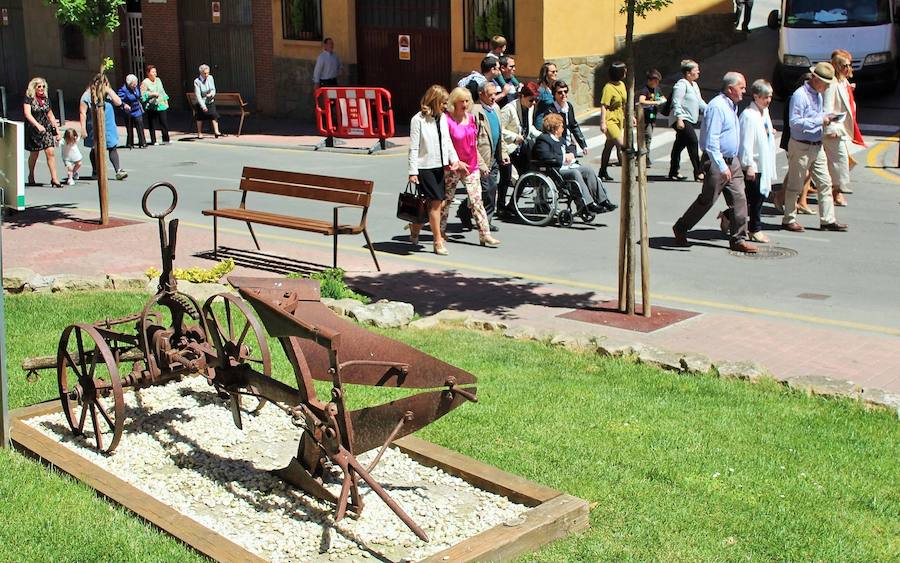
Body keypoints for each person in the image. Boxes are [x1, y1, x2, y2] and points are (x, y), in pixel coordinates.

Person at [672, 72, 758, 254]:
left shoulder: (732, 106)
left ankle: (738, 238)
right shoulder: (717, 107)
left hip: (731, 161)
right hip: (716, 161)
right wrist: (721, 165)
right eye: (741, 87)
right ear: (730, 89)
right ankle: (681, 226)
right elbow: (711, 141)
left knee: (740, 199)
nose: (744, 91)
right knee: (707, 200)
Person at [781, 63, 848, 233]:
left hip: (816, 145)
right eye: (825, 83)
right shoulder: (800, 96)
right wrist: (820, 120)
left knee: (825, 183)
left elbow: (814, 116)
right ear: (815, 79)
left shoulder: (817, 95)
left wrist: (827, 117)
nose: (826, 87)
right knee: (795, 185)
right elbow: (794, 122)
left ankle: (828, 220)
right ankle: (789, 219)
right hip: (801, 145)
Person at [407, 85, 465, 255]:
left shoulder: (442, 119)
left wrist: (455, 161)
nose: (445, 106)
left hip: (440, 166)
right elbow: (414, 148)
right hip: (424, 167)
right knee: (436, 203)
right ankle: (437, 240)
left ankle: (415, 227)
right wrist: (413, 172)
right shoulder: (418, 120)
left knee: (431, 205)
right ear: (435, 101)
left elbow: (447, 142)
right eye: (443, 102)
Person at [442, 87, 501, 248]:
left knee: (476, 201)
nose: (465, 104)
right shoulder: (446, 119)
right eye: (462, 101)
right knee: (446, 201)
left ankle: (485, 234)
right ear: (454, 102)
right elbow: (445, 144)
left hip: (471, 165)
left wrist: (481, 165)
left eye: (467, 101)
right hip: (452, 166)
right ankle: (440, 232)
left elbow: (473, 144)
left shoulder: (470, 118)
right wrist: (454, 162)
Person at [532, 113, 614, 215]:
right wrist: (563, 158)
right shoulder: (543, 140)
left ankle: (602, 200)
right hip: (554, 171)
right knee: (575, 173)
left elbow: (570, 146)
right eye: (561, 126)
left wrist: (570, 153)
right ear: (555, 128)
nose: (563, 128)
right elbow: (545, 157)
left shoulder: (559, 139)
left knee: (587, 169)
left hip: (566, 166)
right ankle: (588, 204)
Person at [462, 81, 509, 230]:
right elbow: (472, 142)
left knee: (491, 188)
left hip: (494, 156)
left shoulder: (495, 108)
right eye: (490, 95)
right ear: (481, 94)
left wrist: (504, 153)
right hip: (481, 159)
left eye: (495, 94)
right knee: (486, 189)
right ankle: (470, 213)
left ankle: (484, 220)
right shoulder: (474, 111)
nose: (494, 97)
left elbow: (500, 133)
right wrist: (481, 164)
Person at [737, 79, 777, 243]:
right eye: (764, 97)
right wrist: (749, 166)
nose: (768, 100)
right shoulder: (748, 115)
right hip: (754, 163)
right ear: (755, 96)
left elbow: (764, 131)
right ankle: (754, 229)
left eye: (769, 97)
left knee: (754, 197)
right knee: (756, 198)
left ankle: (726, 216)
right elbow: (746, 143)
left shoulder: (763, 112)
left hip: (764, 161)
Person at [823, 49, 864, 207]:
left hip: (844, 129)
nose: (849, 68)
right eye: (846, 65)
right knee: (840, 161)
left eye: (850, 64)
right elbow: (827, 108)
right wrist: (830, 129)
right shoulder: (832, 84)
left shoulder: (843, 82)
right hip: (835, 130)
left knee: (837, 162)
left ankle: (833, 190)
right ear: (839, 67)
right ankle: (837, 191)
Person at [498, 81, 541, 216]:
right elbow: (500, 130)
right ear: (522, 96)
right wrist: (514, 136)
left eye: (535, 100)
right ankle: (500, 207)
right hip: (507, 147)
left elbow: (529, 127)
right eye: (531, 100)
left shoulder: (530, 108)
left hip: (521, 147)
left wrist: (542, 135)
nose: (533, 103)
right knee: (505, 178)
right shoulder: (509, 109)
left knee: (525, 175)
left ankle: (512, 204)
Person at [80, 74, 128, 181]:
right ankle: (95, 171)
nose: (100, 85)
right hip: (94, 125)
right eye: (98, 82)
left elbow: (119, 102)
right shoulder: (87, 95)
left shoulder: (108, 93)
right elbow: (82, 113)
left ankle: (118, 170)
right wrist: (83, 128)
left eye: (103, 82)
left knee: (112, 146)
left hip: (109, 125)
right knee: (95, 148)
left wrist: (109, 90)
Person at [668, 59, 707, 182]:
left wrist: (711, 110)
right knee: (693, 142)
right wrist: (679, 118)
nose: (698, 72)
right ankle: (698, 172)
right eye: (696, 70)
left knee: (679, 145)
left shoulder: (694, 85)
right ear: (688, 73)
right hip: (681, 119)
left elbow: (700, 102)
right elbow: (676, 102)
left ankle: (673, 171)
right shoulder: (681, 84)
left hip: (689, 119)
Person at [22, 77, 62, 187]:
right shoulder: (29, 98)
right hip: (34, 129)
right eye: (39, 86)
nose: (41, 88)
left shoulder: (45, 99)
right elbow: (27, 114)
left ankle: (54, 178)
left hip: (46, 129)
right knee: (34, 154)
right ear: (34, 87)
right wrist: (37, 125)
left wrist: (57, 130)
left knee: (50, 152)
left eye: (43, 86)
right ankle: (31, 175)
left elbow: (50, 115)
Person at [599, 62, 628, 181]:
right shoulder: (608, 87)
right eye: (624, 70)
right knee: (623, 145)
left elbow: (624, 103)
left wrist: (630, 116)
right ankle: (628, 173)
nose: (626, 72)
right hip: (610, 119)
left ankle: (602, 171)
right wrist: (602, 122)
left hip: (619, 118)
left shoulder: (621, 84)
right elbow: (604, 105)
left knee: (609, 146)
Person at [637, 69, 666, 167]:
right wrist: (654, 102)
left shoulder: (657, 89)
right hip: (644, 118)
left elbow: (662, 98)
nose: (657, 83)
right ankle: (644, 157)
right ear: (649, 80)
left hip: (652, 116)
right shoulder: (645, 90)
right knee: (647, 137)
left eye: (658, 81)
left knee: (648, 137)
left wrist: (661, 100)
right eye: (655, 81)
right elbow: (641, 101)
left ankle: (644, 156)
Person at [141, 64, 170, 145]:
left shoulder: (158, 80)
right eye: (153, 72)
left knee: (164, 122)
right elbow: (142, 95)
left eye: (155, 72)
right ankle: (153, 140)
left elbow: (162, 91)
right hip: (151, 106)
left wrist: (166, 100)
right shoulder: (145, 82)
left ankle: (166, 139)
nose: (155, 74)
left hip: (160, 104)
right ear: (148, 73)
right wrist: (151, 94)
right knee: (152, 123)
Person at [193, 64, 224, 138]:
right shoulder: (197, 81)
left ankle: (216, 132)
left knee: (214, 115)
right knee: (200, 117)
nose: (207, 75)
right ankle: (199, 133)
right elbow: (198, 95)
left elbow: (213, 89)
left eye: (208, 73)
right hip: (201, 102)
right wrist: (203, 106)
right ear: (201, 73)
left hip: (210, 100)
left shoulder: (210, 78)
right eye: (205, 73)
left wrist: (211, 94)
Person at [117, 74, 147, 149]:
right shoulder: (123, 89)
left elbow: (139, 96)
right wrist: (124, 105)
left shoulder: (136, 87)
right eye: (133, 83)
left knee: (140, 125)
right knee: (129, 128)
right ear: (129, 83)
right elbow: (119, 100)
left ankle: (142, 142)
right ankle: (130, 143)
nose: (135, 85)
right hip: (129, 111)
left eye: (136, 83)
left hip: (137, 109)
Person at [534, 62, 558, 130]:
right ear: (545, 74)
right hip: (542, 125)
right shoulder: (540, 90)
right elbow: (534, 108)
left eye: (556, 71)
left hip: (553, 124)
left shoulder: (554, 87)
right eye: (553, 72)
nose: (555, 73)